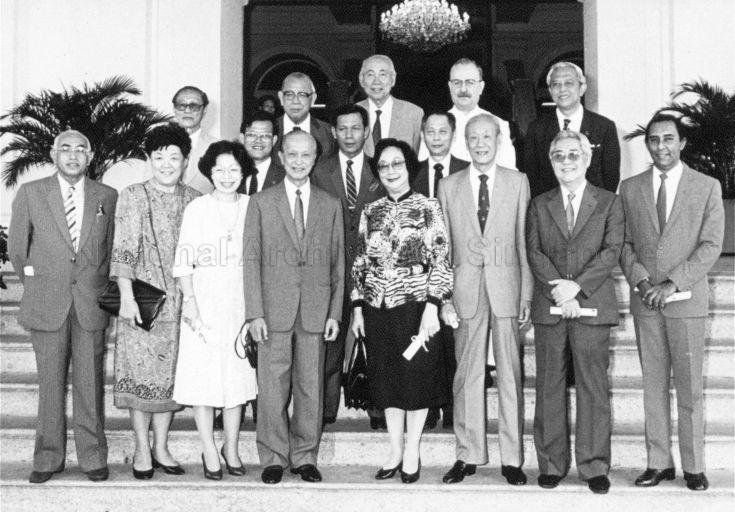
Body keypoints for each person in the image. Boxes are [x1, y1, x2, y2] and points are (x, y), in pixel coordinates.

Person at [619, 113, 724, 492]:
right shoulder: (630, 188)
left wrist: (673, 282)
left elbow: (711, 244)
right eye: (653, 140)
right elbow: (624, 244)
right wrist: (642, 280)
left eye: (668, 139)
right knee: (653, 386)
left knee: (689, 387)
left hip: (686, 303)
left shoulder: (706, 186)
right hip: (646, 300)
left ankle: (693, 466)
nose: (661, 146)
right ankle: (658, 462)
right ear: (647, 145)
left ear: (682, 143)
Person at [9, 130, 117, 484]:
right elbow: (17, 249)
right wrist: (39, 284)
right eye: (65, 149)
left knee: (90, 385)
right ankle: (47, 457)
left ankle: (92, 457)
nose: (73, 156)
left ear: (91, 155)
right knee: (50, 384)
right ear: (54, 154)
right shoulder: (31, 193)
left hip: (89, 304)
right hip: (46, 302)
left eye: (80, 150)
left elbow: (111, 249)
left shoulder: (107, 196)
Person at [243, 130, 344, 485]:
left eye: (306, 155)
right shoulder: (260, 202)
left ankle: (304, 456)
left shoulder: (329, 204)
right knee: (271, 385)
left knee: (310, 386)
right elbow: (250, 260)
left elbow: (338, 264)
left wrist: (334, 313)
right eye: (293, 155)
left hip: (316, 310)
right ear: (281, 157)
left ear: (315, 159)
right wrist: (254, 312)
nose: (299, 161)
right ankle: (273, 456)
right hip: (273, 310)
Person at [526, 130, 624, 494]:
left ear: (586, 159)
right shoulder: (539, 204)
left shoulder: (610, 203)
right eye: (559, 156)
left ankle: (593, 465)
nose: (566, 162)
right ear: (551, 161)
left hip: (592, 304)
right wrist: (559, 290)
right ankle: (551, 463)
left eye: (573, 155)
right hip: (551, 306)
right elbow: (534, 252)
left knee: (592, 387)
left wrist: (576, 288)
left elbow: (612, 250)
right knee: (549, 386)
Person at [350, 138, 453, 484]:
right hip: (377, 305)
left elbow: (441, 259)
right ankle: (394, 450)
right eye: (383, 165)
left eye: (397, 163)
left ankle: (412, 451)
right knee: (387, 381)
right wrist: (357, 308)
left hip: (415, 305)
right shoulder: (370, 210)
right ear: (377, 172)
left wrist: (432, 307)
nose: (391, 171)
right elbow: (360, 263)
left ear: (409, 167)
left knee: (416, 381)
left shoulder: (429, 207)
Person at [438, 114, 532, 486]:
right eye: (473, 137)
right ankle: (468, 454)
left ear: (498, 140)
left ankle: (512, 459)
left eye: (487, 137)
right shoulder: (448, 186)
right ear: (465, 141)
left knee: (510, 374)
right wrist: (444, 297)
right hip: (465, 292)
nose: (480, 143)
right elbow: (442, 248)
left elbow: (524, 242)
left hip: (507, 288)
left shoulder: (517, 182)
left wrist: (526, 293)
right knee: (467, 376)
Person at [111, 123, 200, 479]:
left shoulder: (195, 199)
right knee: (141, 376)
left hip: (181, 304)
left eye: (174, 157)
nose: (166, 164)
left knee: (170, 379)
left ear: (185, 160)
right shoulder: (133, 194)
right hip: (142, 302)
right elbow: (123, 249)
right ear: (150, 159)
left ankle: (162, 446)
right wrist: (126, 297)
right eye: (159, 157)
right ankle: (141, 448)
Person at [172, 140, 257, 480]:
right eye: (219, 169)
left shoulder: (253, 206)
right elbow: (183, 262)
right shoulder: (197, 208)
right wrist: (191, 305)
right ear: (209, 171)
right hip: (203, 305)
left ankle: (231, 447)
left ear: (243, 172)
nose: (226, 176)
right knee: (204, 380)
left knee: (237, 381)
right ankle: (209, 448)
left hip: (240, 305)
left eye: (233, 169)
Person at [311, 104, 385, 426]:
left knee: (377, 341)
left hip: (374, 273)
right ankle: (327, 410)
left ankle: (378, 408)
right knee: (331, 343)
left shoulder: (381, 169)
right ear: (333, 132)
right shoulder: (319, 171)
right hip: (332, 271)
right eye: (343, 129)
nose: (349, 135)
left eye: (356, 128)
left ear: (366, 131)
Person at [413, 110, 468, 430]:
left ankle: (451, 405)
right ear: (422, 134)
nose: (436, 137)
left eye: (442, 131)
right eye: (430, 132)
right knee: (425, 339)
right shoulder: (413, 172)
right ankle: (430, 404)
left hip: (459, 266)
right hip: (419, 271)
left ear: (452, 134)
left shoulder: (466, 169)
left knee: (452, 340)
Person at [524, 62, 620, 198]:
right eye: (556, 84)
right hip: (549, 211)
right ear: (550, 91)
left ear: (582, 88)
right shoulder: (536, 129)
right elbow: (532, 179)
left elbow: (611, 179)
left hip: (594, 210)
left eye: (569, 83)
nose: (562, 89)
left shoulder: (604, 127)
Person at [418, 58, 515, 169]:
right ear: (450, 87)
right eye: (457, 83)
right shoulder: (433, 125)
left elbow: (509, 173)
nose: (463, 89)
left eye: (470, 82)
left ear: (481, 87)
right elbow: (424, 171)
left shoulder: (499, 124)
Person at [357, 54, 424, 157]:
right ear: (362, 80)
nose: (376, 81)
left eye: (382, 74)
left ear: (393, 79)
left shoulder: (414, 114)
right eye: (370, 75)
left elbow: (417, 159)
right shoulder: (352, 113)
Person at [273, 72, 336, 159]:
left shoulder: (329, 133)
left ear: (313, 99)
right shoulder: (269, 131)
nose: (295, 101)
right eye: (289, 94)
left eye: (302, 95)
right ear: (281, 98)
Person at [172, 85, 217, 194]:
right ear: (174, 109)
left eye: (194, 106)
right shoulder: (159, 143)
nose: (187, 111)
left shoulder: (217, 147)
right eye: (182, 105)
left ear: (204, 110)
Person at [239, 110, 286, 194]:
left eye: (265, 136)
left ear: (274, 140)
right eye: (252, 135)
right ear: (242, 139)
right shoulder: (230, 174)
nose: (258, 141)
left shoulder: (285, 178)